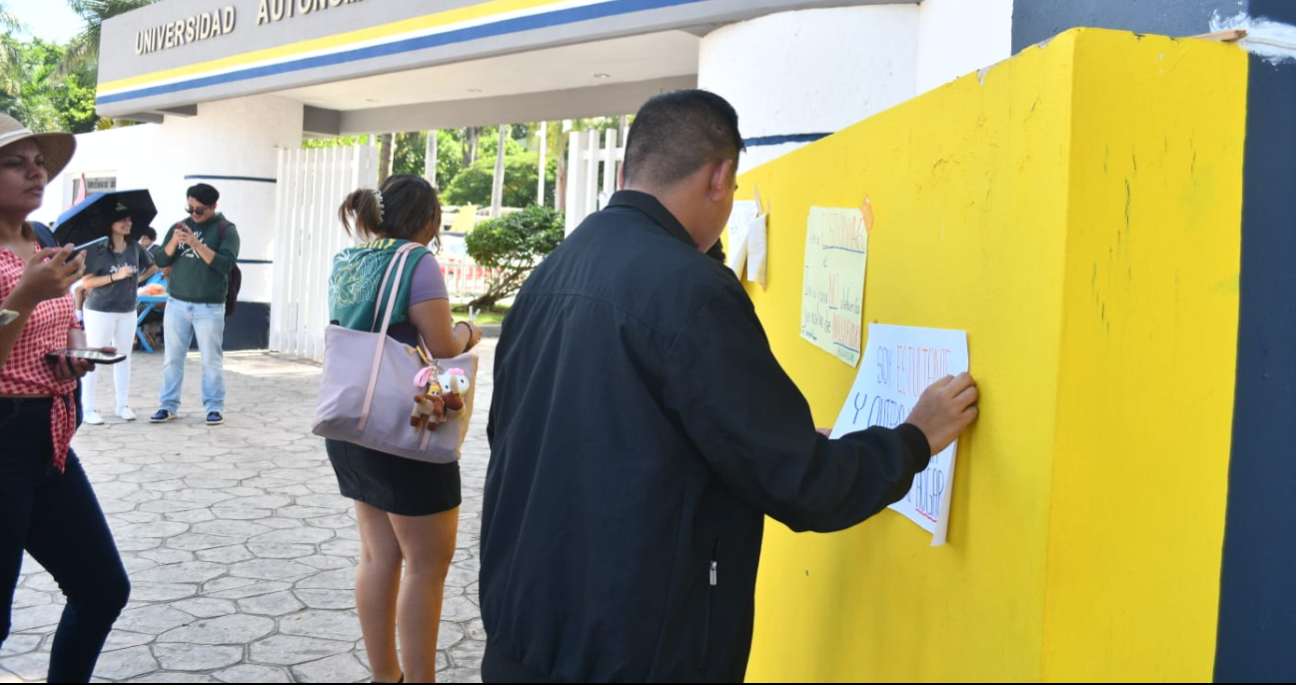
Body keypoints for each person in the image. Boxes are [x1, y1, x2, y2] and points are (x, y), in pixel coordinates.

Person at [479, 90, 980, 683]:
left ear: (626, 172)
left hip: (522, 640)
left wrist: (765, 438)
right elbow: (802, 484)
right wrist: (916, 438)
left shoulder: (550, 275)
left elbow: (573, 433)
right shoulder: (694, 290)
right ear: (720, 177)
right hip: (635, 654)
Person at [325, 175, 482, 685]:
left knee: (378, 553)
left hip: (351, 420)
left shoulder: (353, 257)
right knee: (426, 562)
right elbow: (440, 345)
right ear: (429, 219)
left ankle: (384, 676)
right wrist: (470, 331)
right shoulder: (418, 261)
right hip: (405, 425)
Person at [0, 115, 130, 683]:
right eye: (14, 162)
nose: (35, 173)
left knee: (102, 588)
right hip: (0, 439)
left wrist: (72, 358)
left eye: (39, 163)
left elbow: (52, 329)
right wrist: (25, 295)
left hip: (50, 438)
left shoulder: (43, 239)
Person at [149, 183, 239, 425]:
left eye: (200, 210)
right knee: (172, 358)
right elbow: (160, 259)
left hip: (209, 307)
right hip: (177, 303)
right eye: (190, 209)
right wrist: (173, 243)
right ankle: (167, 405)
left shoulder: (225, 230)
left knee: (211, 359)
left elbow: (225, 265)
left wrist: (196, 244)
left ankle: (214, 407)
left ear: (214, 206)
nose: (194, 215)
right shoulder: (180, 226)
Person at [79, 211, 156, 423]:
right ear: (109, 222)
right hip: (99, 309)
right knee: (93, 358)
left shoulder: (135, 247)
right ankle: (88, 407)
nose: (127, 223)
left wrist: (137, 279)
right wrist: (116, 276)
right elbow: (87, 283)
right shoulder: (99, 249)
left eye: (130, 219)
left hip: (128, 309)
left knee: (124, 357)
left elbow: (153, 266)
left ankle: (122, 404)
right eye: (122, 219)